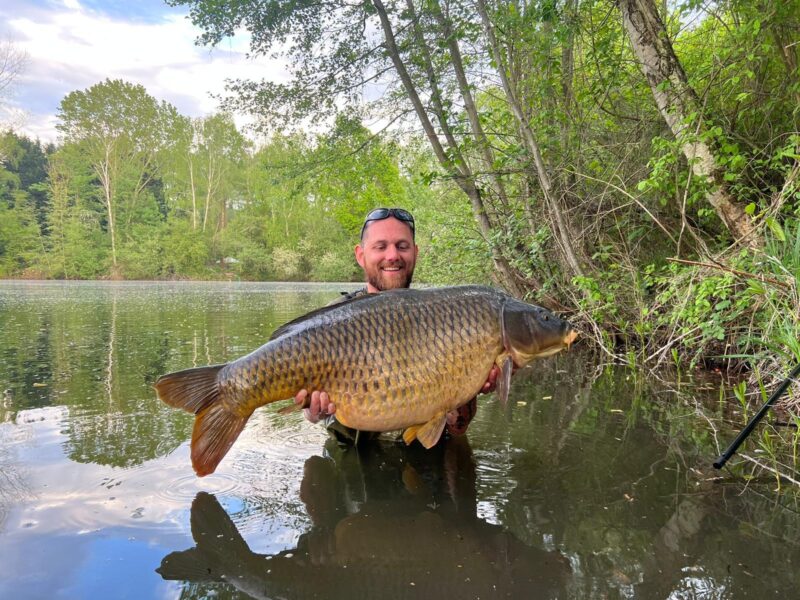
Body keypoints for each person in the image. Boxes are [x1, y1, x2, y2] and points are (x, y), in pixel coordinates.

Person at [293, 207, 499, 443]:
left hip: (426, 458)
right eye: (380, 247)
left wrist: (473, 385)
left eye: (402, 246)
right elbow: (309, 414)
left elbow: (458, 428)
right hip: (354, 458)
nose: (392, 256)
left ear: (415, 253)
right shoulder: (333, 319)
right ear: (361, 255)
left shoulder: (443, 316)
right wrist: (313, 410)